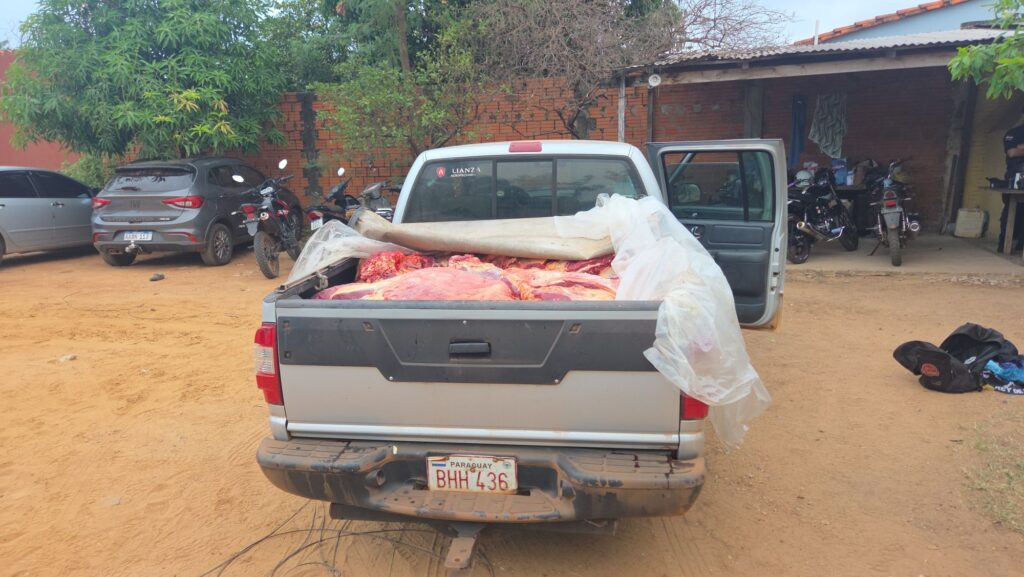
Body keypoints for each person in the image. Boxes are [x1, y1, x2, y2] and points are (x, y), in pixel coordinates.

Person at [1000, 120, 1024, 252]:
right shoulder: (1014, 132)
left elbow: (1018, 150)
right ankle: (1004, 244)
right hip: (1015, 177)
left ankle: (1020, 245)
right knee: (1011, 210)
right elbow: (1012, 152)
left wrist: (1021, 148)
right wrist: (1017, 149)